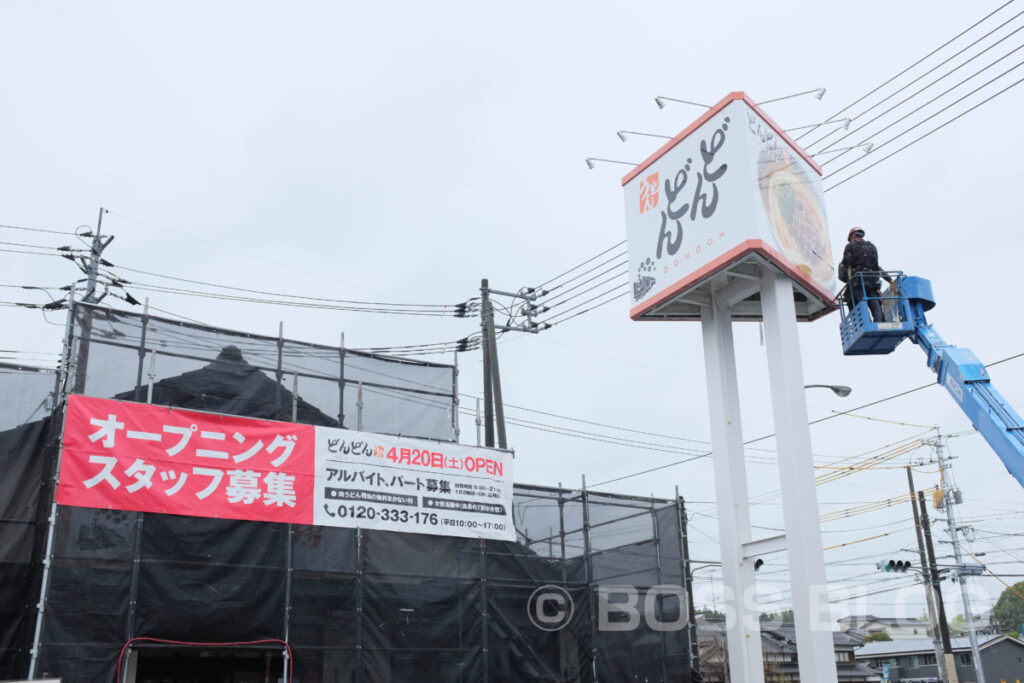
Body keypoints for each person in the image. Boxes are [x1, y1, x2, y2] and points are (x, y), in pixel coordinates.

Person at [838, 227, 892, 323]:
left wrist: (847, 276)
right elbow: (876, 266)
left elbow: (846, 264)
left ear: (852, 236)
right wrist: (890, 280)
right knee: (875, 303)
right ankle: (879, 324)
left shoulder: (850, 246)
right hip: (872, 281)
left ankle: (866, 324)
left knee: (860, 303)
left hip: (858, 281)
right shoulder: (872, 246)